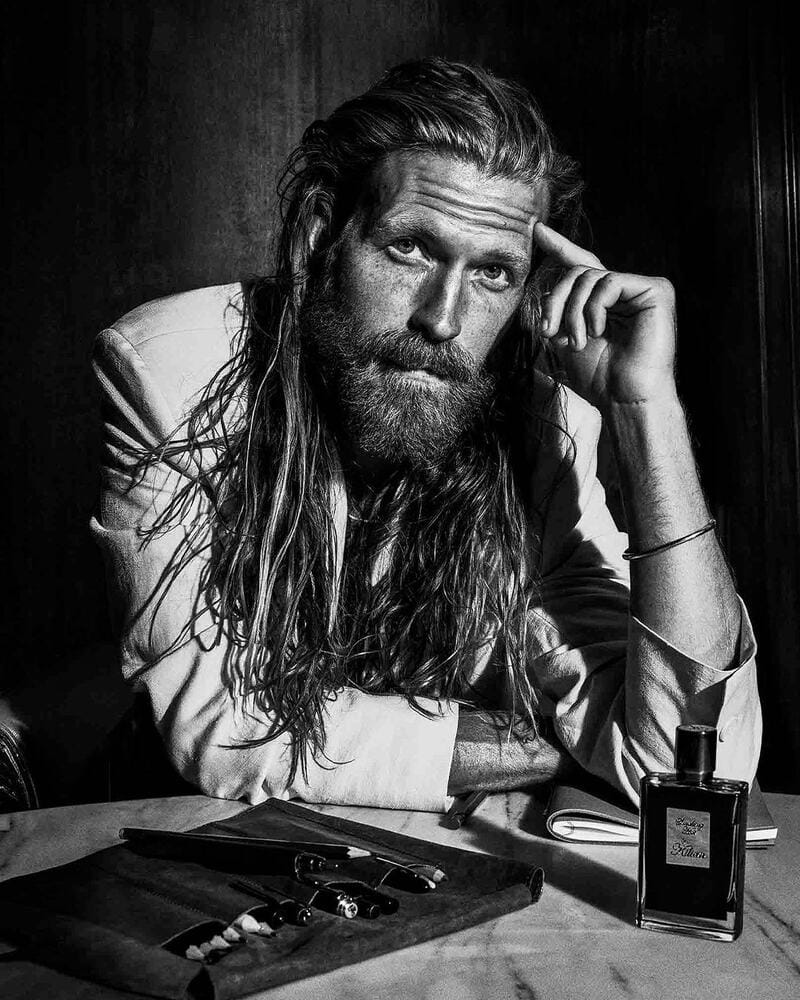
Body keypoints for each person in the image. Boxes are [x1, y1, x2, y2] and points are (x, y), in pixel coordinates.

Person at [90, 59, 761, 811]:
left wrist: (648, 414)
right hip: (197, 852)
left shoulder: (546, 429)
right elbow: (221, 725)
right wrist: (541, 746)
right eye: (409, 248)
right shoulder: (171, 368)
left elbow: (697, 771)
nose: (442, 320)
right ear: (322, 240)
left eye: (494, 274)